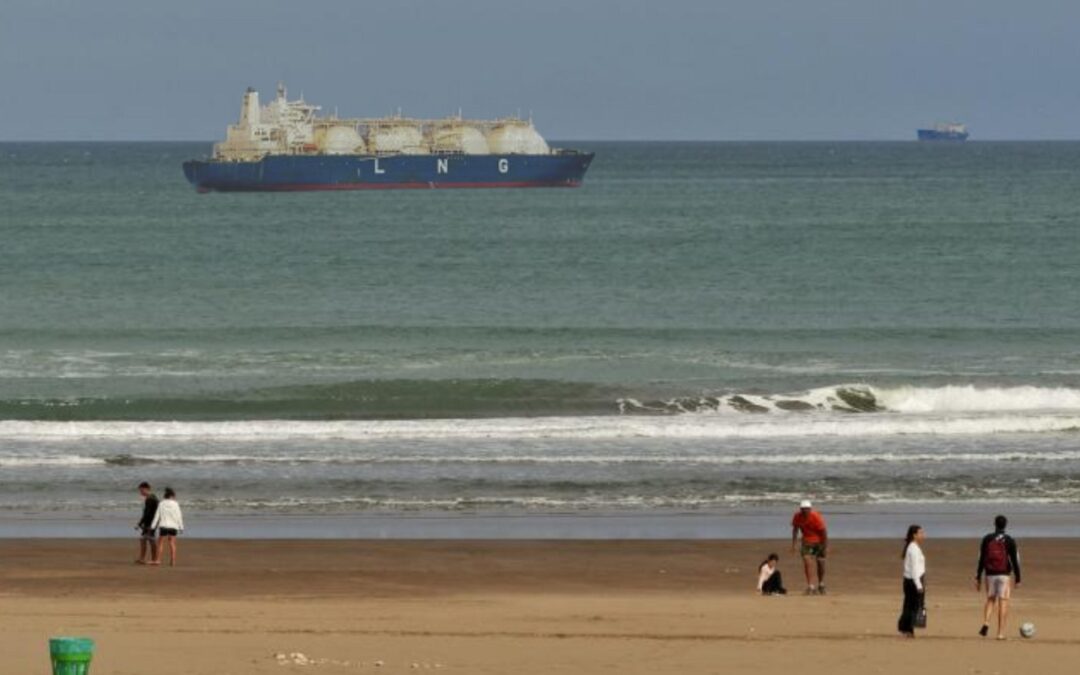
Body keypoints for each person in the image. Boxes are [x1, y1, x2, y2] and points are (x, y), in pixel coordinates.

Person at [976, 514, 1021, 640]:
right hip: (1004, 574)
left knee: (990, 599)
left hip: (989, 573)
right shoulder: (1010, 540)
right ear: (1005, 525)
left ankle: (986, 622)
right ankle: (1000, 633)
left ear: (994, 524)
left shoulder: (987, 538)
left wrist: (978, 576)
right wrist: (1018, 578)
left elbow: (981, 559)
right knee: (1003, 602)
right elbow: (1014, 560)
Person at [791, 499, 829, 595]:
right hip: (806, 542)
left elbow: (824, 532)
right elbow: (795, 530)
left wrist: (825, 547)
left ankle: (821, 584)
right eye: (803, 509)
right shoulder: (797, 516)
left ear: (810, 509)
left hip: (819, 541)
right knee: (807, 562)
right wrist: (794, 544)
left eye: (807, 509)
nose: (805, 511)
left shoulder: (816, 517)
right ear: (800, 509)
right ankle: (810, 586)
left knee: (820, 563)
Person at [898, 524, 926, 638]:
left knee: (909, 605)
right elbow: (915, 569)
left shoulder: (912, 546)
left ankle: (905, 628)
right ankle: (907, 629)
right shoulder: (913, 549)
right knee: (912, 606)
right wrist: (919, 585)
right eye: (921, 533)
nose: (923, 535)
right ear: (914, 535)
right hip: (913, 581)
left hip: (910, 580)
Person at [150, 487, 185, 567]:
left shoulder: (161, 503)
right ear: (172, 496)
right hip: (173, 526)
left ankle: (158, 559)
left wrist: (153, 526)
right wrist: (181, 527)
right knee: (172, 543)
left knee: (160, 543)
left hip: (164, 525)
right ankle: (173, 560)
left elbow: (157, 516)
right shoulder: (175, 504)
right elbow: (179, 516)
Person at [135, 481, 159, 565]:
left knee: (152, 541)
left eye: (141, 490)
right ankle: (142, 558)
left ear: (146, 489)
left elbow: (148, 514)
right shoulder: (152, 497)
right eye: (140, 490)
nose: (140, 492)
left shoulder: (150, 499)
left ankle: (155, 560)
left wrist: (140, 523)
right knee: (143, 539)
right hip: (150, 522)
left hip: (151, 523)